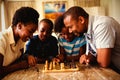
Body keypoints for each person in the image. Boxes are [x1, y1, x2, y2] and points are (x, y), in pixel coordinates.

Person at [63, 6, 120, 73]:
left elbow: (103, 62)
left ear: (81, 20)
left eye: (70, 27)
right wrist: (88, 57)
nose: (70, 31)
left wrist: (92, 57)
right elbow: (92, 53)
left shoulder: (102, 25)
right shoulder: (87, 30)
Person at [0, 7, 39, 79]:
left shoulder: (21, 39)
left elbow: (19, 58)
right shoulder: (2, 39)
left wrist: (27, 57)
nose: (31, 36)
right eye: (30, 31)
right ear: (19, 26)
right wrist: (19, 66)